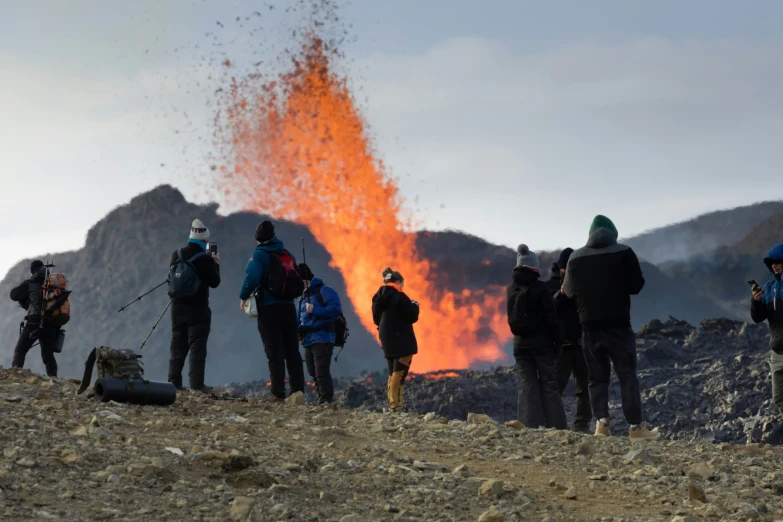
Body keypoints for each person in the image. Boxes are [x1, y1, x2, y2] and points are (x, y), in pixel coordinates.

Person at [563, 215, 659, 440]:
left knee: (596, 378)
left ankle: (601, 426)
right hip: (618, 327)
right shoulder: (624, 252)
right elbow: (636, 286)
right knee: (627, 376)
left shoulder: (575, 258)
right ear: (613, 233)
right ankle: (636, 428)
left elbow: (568, 292)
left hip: (588, 328)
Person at [239, 220, 304, 400]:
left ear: (258, 238)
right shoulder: (286, 253)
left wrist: (243, 296)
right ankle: (298, 391)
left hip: (269, 308)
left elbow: (251, 277)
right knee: (292, 351)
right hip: (289, 308)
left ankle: (277, 392)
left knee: (274, 350)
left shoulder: (259, 255)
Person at [507, 245, 568, 429]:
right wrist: (558, 343)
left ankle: (527, 425)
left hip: (519, 345)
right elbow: (552, 319)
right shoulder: (540, 288)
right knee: (549, 383)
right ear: (535, 267)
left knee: (526, 383)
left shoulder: (511, 289)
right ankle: (557, 427)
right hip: (542, 345)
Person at [168, 219, 221, 391]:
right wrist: (216, 264)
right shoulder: (205, 259)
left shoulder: (176, 254)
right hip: (198, 309)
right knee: (197, 347)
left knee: (177, 345)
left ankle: (173, 383)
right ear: (205, 241)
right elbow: (214, 282)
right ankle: (196, 385)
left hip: (176, 307)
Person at [545, 248, 592, 433]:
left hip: (582, 345)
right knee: (555, 389)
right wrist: (561, 295)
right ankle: (552, 424)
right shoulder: (549, 287)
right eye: (567, 268)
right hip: (560, 347)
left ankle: (581, 425)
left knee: (585, 389)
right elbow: (548, 312)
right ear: (560, 267)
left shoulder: (584, 286)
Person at [372, 267, 419, 413]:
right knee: (400, 372)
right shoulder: (400, 296)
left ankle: (395, 403)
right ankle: (396, 406)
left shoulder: (377, 299)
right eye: (402, 282)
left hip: (387, 338)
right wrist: (415, 307)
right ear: (398, 281)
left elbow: (376, 320)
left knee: (393, 372)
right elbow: (412, 317)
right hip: (402, 339)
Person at [297, 263, 343, 404]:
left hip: (323, 337)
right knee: (313, 371)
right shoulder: (303, 297)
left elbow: (335, 310)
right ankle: (322, 398)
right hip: (308, 339)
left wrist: (314, 309)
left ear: (304, 279)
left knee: (321, 371)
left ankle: (326, 401)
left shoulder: (325, 291)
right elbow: (299, 318)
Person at [10, 260, 59, 376]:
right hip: (50, 323)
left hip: (34, 322)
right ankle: (54, 380)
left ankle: (16, 375)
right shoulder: (53, 284)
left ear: (33, 271)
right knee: (48, 355)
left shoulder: (31, 283)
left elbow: (13, 295)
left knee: (20, 350)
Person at [751, 244, 783, 414]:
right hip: (777, 353)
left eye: (778, 261)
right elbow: (758, 318)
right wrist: (756, 301)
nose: (774, 265)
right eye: (771, 263)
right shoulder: (770, 288)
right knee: (778, 398)